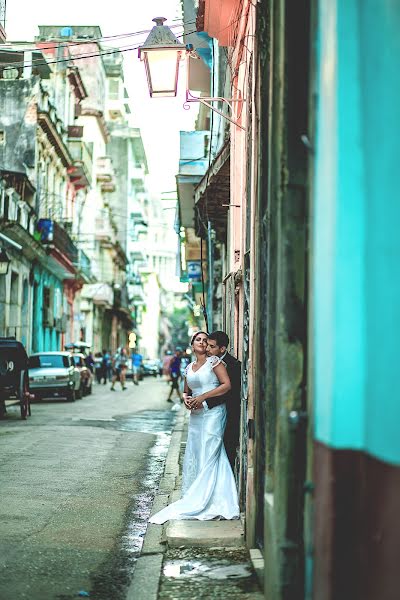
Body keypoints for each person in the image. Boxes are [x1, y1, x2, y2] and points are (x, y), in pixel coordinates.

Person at [149, 331, 239, 524]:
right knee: (196, 451)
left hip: (213, 413)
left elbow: (227, 385)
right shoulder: (189, 367)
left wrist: (203, 398)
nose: (202, 342)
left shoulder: (214, 363)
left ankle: (212, 499)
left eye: (205, 340)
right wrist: (186, 400)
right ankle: (195, 493)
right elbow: (185, 390)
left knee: (211, 451)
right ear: (192, 344)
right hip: (196, 416)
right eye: (198, 339)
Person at [204, 331, 242, 469]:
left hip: (226, 415)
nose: (207, 349)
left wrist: (205, 401)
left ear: (222, 349)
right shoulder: (208, 362)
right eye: (207, 345)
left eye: (212, 346)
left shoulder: (233, 365)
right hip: (209, 413)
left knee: (226, 450)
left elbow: (230, 393)